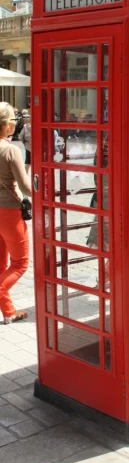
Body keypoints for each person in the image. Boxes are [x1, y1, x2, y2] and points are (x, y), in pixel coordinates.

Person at [0, 102, 32, 324]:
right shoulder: (11, 150)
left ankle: (8, 311)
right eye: (13, 120)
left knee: (1, 265)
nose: (15, 123)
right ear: (5, 125)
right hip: (9, 213)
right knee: (20, 263)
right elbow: (26, 187)